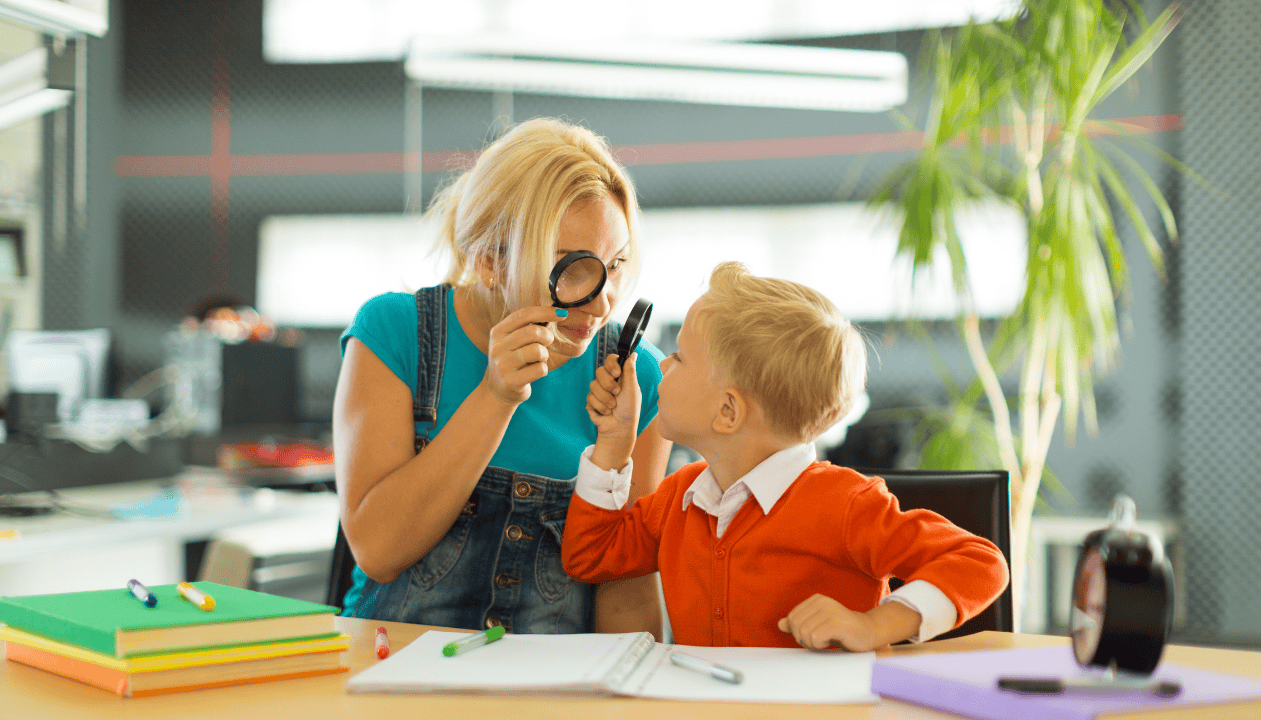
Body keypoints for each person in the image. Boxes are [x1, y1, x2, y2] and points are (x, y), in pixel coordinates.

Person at [332, 117, 671, 636]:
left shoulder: (635, 376)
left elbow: (624, 589)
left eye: (617, 263)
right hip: (395, 658)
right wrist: (496, 395)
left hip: (551, 675)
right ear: (490, 261)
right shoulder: (395, 332)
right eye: (572, 266)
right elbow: (378, 552)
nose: (603, 303)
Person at [562, 262, 1009, 649]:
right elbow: (591, 556)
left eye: (679, 358)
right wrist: (613, 443)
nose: (662, 366)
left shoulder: (846, 504)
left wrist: (875, 625)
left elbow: (980, 563)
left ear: (728, 411)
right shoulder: (679, 498)